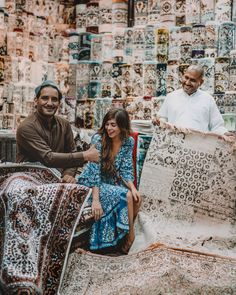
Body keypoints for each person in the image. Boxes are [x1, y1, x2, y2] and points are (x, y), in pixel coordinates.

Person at [77, 108, 141, 254]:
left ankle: (120, 239)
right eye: (107, 124)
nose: (109, 128)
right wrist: (95, 200)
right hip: (92, 182)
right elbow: (94, 173)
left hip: (110, 180)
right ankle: (130, 236)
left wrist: (133, 187)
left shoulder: (128, 141)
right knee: (127, 196)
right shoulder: (98, 140)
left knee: (137, 198)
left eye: (113, 125)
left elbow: (126, 169)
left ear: (122, 126)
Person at [16, 80, 99, 184]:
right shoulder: (26, 127)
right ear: (36, 101)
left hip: (57, 178)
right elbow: (48, 158)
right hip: (28, 179)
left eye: (54, 99)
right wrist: (85, 155)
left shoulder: (64, 124)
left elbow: (72, 152)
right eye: (45, 98)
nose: (50, 103)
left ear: (59, 103)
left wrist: (68, 174)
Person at [157, 65, 228, 134]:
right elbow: (162, 118)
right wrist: (159, 121)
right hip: (175, 143)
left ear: (201, 82)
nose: (187, 82)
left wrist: (224, 133)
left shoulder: (208, 99)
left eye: (192, 80)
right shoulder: (171, 97)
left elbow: (217, 126)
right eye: (186, 77)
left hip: (198, 144)